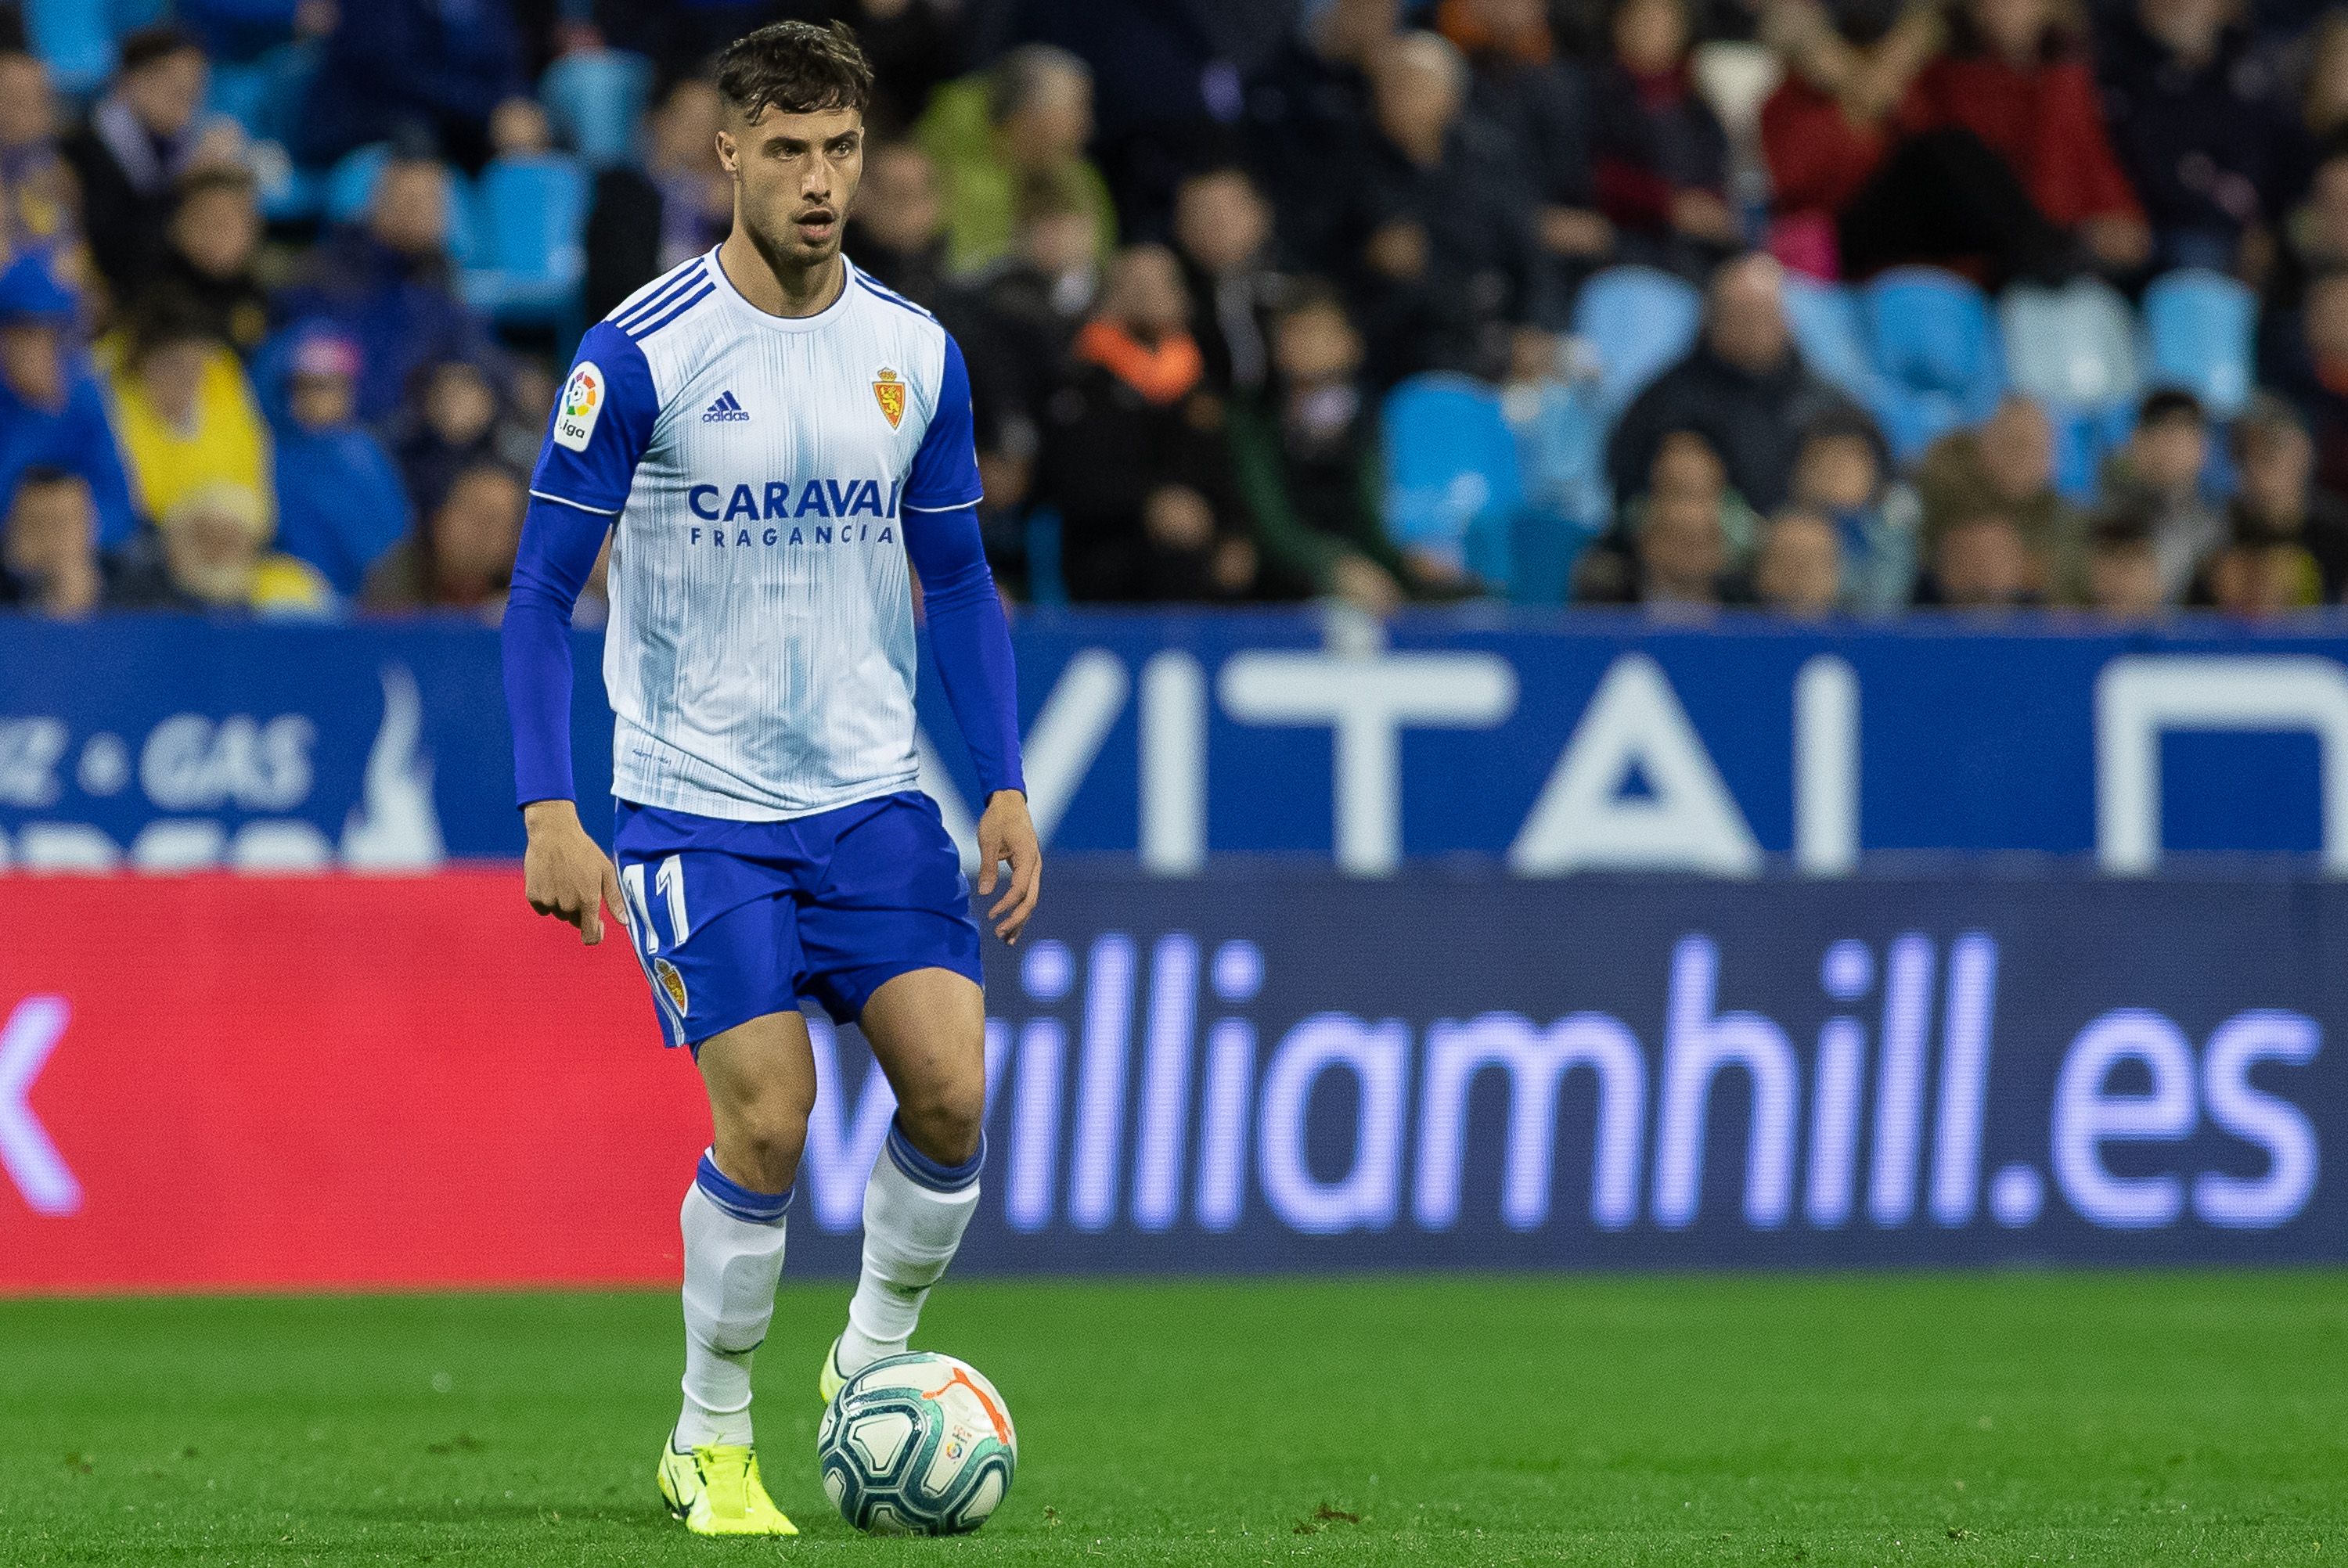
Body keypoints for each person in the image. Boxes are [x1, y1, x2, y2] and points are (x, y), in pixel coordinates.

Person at [499, 22, 1037, 1537]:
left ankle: (866, 1368)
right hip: (695, 804)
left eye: (842, 149)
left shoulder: (913, 352)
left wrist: (997, 779)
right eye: (788, 149)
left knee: (949, 1093)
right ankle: (710, 1437)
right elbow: (541, 594)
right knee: (772, 1126)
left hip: (871, 796)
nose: (818, 180)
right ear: (725, 153)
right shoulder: (643, 350)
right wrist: (554, 808)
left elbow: (957, 578)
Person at [1040, 244, 1258, 602]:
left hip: (1203, 549)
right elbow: (1072, 484)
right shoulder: (1081, 380)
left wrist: (1235, 531)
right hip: (1112, 550)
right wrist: (1149, 504)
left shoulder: (1203, 379)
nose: (1149, 295)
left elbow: (1231, 472)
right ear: (1110, 298)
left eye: (1161, 284)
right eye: (1135, 285)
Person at [1605, 252, 1856, 513]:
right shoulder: (1666, 405)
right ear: (1712, 321)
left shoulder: (1827, 401)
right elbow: (1628, 493)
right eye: (1743, 317)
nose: (1756, 331)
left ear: (1786, 321)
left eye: (1765, 316)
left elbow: (1873, 466)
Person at [272, 153, 495, 425]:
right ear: (381, 204)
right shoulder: (329, 273)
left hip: (424, 441)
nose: (424, 214)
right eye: (412, 201)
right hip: (355, 435)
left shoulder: (437, 274)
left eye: (433, 203)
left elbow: (472, 350)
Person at [59, 26, 238, 301]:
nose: (186, 100)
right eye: (176, 86)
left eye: (194, 90)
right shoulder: (84, 148)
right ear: (132, 80)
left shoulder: (177, 147)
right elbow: (114, 250)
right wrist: (183, 189)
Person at [915, 44, 1116, 275]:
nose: (1086, 128)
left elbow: (1101, 260)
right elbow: (959, 271)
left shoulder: (1071, 170)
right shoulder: (944, 164)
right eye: (1076, 111)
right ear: (1026, 118)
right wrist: (1028, 256)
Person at [0, 254, 137, 548]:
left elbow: (120, 506)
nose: (32, 347)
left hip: (74, 547)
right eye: (19, 332)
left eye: (44, 332)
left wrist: (70, 528)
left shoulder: (83, 396)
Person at [103, 300, 272, 532]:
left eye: (196, 365)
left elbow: (259, 497)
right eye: (172, 366)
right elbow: (134, 504)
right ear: (140, 365)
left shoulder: (223, 380)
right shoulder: (109, 406)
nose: (188, 380)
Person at [269, 328, 411, 596]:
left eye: (324, 387)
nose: (312, 398)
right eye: (301, 387)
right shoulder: (276, 453)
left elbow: (391, 539)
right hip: (289, 595)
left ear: (347, 391)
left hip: (362, 602)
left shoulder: (364, 455)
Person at [582, 77, 733, 327]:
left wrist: (734, 216)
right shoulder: (622, 194)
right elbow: (614, 287)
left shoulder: (735, 208)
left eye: (713, 127)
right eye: (691, 123)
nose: (703, 138)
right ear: (659, 123)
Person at [2097, 388, 2220, 601]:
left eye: (2180, 431)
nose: (2169, 445)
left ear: (2202, 447)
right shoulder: (2104, 516)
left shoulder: (2218, 527)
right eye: (2159, 430)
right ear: (2137, 441)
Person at [363, 458, 522, 617]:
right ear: (439, 517)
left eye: (494, 520)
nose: (481, 531)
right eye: (472, 513)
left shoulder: (529, 594)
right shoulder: (395, 578)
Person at [1752, 505, 1842, 615]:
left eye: (1807, 565)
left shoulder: (1855, 625)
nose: (1795, 576)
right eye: (1784, 563)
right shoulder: (1735, 621)